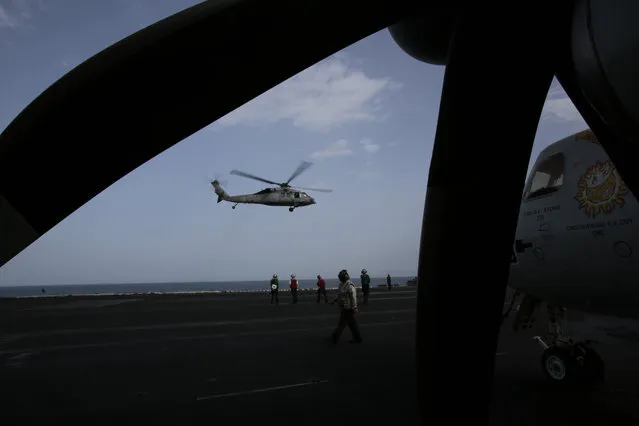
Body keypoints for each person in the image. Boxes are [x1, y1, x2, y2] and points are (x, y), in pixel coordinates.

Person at [329, 269, 362, 344]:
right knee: (352, 324)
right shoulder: (342, 285)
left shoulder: (349, 286)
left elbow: (353, 297)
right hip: (344, 307)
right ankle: (358, 338)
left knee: (342, 324)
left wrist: (354, 307)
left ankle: (335, 336)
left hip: (348, 308)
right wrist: (334, 300)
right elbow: (340, 296)